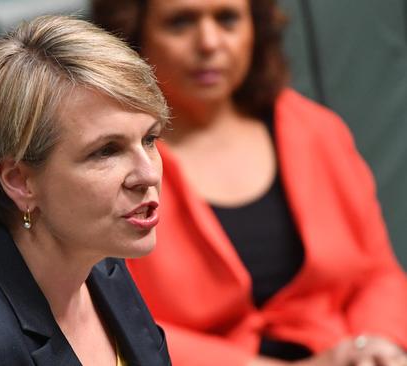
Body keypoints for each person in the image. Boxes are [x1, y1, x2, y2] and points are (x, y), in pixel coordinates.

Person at [92, 0, 407, 365]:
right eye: (180, 23)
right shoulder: (115, 168)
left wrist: (373, 348)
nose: (209, 42)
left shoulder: (316, 130)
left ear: (255, 29)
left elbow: (379, 274)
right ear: (133, 37)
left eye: (227, 19)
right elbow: (113, 321)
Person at [0, 15, 171, 366]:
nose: (147, 174)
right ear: (19, 181)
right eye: (106, 151)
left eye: (149, 139)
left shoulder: (102, 264)